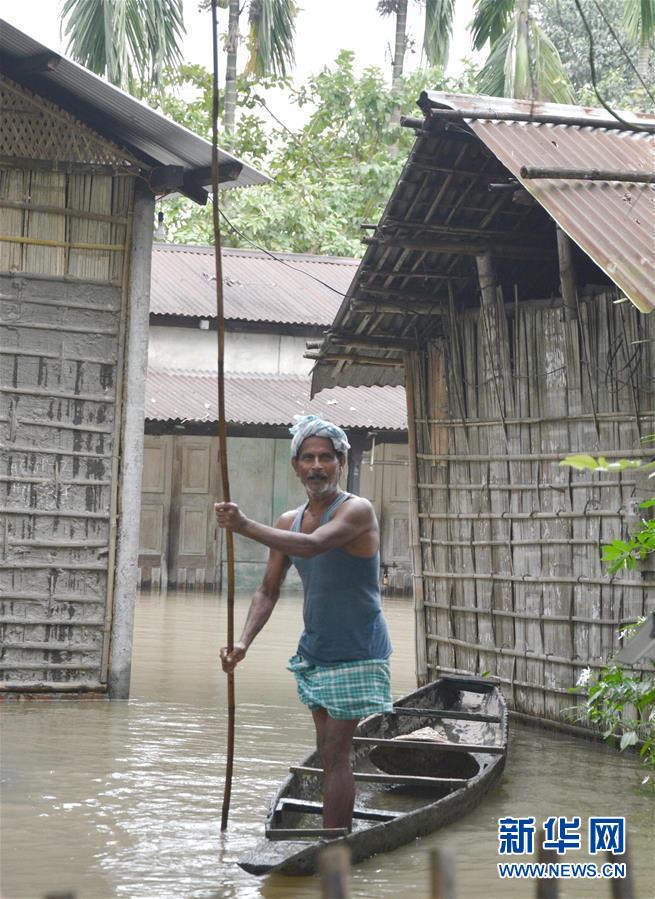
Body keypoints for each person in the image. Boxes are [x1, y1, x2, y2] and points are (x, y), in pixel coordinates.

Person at [214, 414, 393, 831]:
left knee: (335, 751)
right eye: (308, 458)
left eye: (326, 458)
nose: (317, 466)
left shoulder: (357, 511)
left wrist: (243, 525)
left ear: (341, 462)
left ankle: (334, 842)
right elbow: (268, 590)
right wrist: (243, 643)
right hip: (316, 651)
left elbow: (312, 547)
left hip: (357, 651)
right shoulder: (287, 521)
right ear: (295, 466)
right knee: (327, 750)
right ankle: (333, 831)